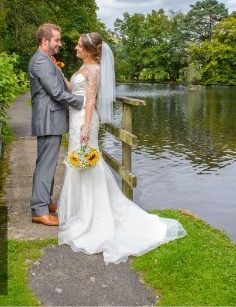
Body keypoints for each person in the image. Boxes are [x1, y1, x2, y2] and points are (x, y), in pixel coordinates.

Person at [57, 32, 187, 264]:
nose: (75, 48)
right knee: (79, 164)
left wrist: (86, 128)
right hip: (76, 118)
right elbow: (75, 90)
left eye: (78, 45)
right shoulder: (84, 66)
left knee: (87, 165)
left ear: (88, 50)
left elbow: (90, 101)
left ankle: (93, 217)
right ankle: (81, 212)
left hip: (84, 121)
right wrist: (61, 77)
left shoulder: (95, 70)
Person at [29, 23, 85, 226]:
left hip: (50, 118)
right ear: (45, 41)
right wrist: (82, 102)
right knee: (45, 165)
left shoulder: (46, 59)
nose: (60, 44)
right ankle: (39, 210)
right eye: (57, 40)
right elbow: (56, 93)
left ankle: (44, 201)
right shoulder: (41, 62)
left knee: (48, 163)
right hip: (48, 119)